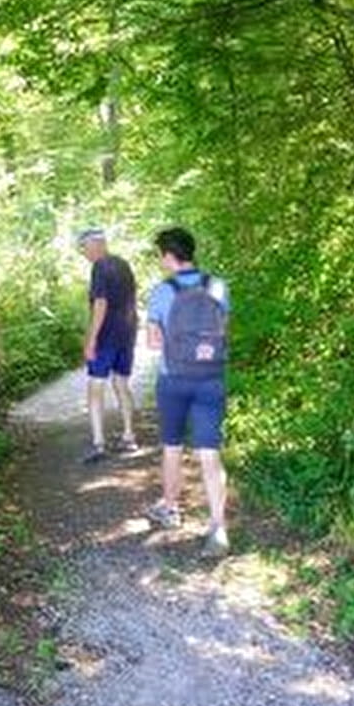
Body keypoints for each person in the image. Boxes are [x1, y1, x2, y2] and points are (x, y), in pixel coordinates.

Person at [144, 226, 231, 556]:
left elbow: (153, 343)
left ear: (169, 256)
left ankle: (170, 509)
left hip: (174, 380)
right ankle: (218, 528)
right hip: (211, 379)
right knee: (210, 454)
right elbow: (221, 332)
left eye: (161, 255)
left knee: (172, 448)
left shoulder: (161, 292)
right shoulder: (219, 286)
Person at [77, 228, 139, 463]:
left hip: (106, 335)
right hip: (127, 331)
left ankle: (99, 444)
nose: (83, 253)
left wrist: (91, 339)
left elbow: (100, 303)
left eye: (83, 248)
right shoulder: (124, 265)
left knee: (95, 387)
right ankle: (129, 437)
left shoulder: (100, 267)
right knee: (121, 383)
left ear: (95, 244)